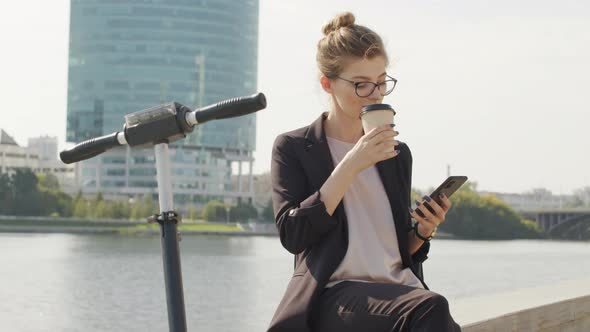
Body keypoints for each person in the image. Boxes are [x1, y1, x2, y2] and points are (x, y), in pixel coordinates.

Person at [266, 12, 462, 332]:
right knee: (432, 309)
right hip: (333, 294)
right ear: (327, 84)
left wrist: (424, 230)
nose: (376, 94)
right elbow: (293, 235)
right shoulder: (294, 147)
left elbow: (394, 248)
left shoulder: (396, 154)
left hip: (398, 290)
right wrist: (352, 163)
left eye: (382, 81)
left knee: (433, 312)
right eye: (361, 85)